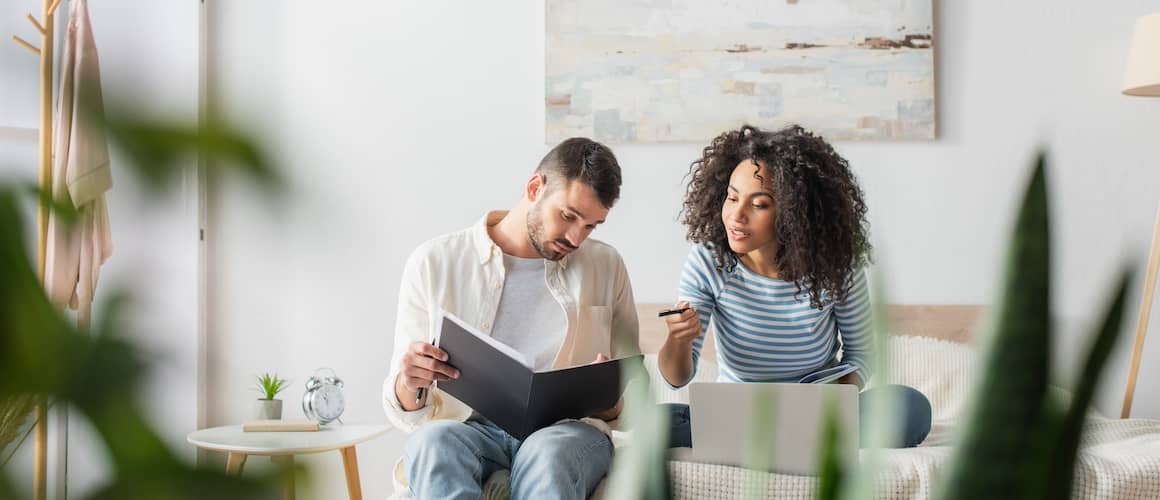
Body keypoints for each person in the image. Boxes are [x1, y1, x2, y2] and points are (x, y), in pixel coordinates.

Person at [383, 137, 640, 500]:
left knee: (549, 455)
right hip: (467, 429)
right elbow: (404, 409)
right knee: (431, 442)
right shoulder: (434, 262)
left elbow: (633, 389)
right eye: (568, 216)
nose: (575, 237)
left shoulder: (606, 265)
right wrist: (411, 381)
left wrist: (610, 396)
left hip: (566, 432)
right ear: (535, 188)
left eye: (590, 227)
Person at [658, 124, 931, 449]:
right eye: (732, 197)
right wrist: (678, 339)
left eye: (758, 205)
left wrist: (830, 407)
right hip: (739, 411)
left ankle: (777, 441)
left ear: (793, 212)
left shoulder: (836, 263)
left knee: (910, 408)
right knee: (654, 423)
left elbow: (862, 353)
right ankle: (794, 443)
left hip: (818, 411)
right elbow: (676, 378)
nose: (736, 215)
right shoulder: (708, 261)